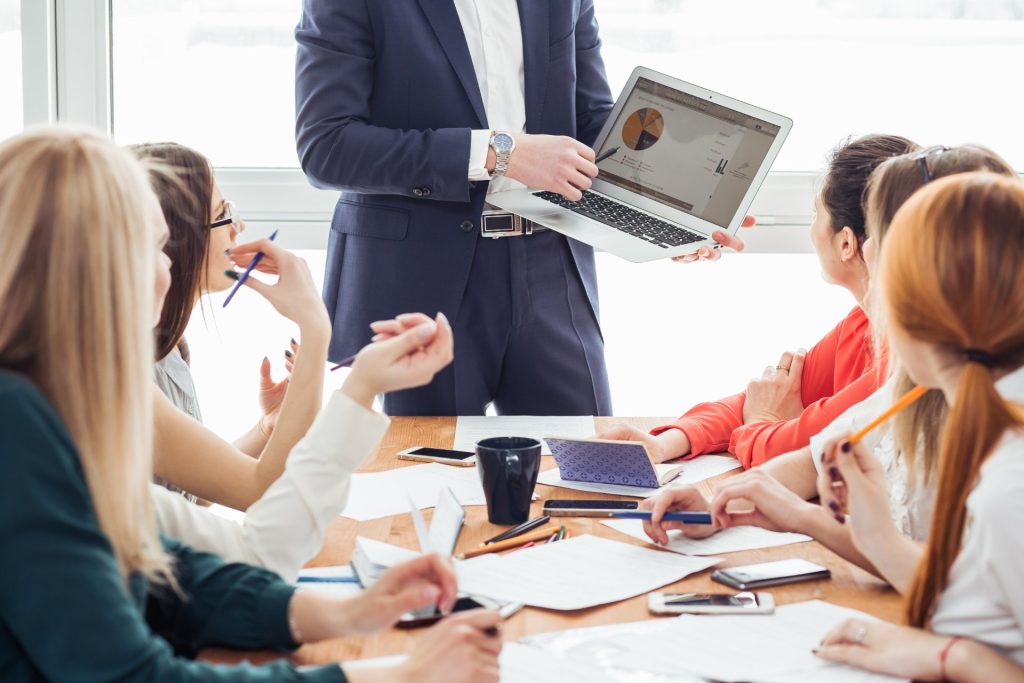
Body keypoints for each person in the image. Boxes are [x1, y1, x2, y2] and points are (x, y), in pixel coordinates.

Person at [0, 127, 501, 683]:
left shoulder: (56, 401)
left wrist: (353, 612)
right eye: (151, 247)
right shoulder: (20, 424)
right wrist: (390, 676)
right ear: (95, 267)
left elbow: (174, 571)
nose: (167, 267)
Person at [294, 0, 745, 417]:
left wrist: (674, 208)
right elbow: (327, 146)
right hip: (417, 281)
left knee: (588, 474)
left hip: (552, 267)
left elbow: (590, 126)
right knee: (425, 482)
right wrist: (498, 152)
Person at [641, 145, 1018, 575]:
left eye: (877, 242)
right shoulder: (918, 383)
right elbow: (809, 460)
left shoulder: (1007, 458)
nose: (869, 257)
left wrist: (764, 426)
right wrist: (714, 507)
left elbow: (971, 598)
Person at [600, 134, 918, 468]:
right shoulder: (863, 323)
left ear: (847, 243)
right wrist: (662, 444)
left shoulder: (902, 362)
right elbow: (758, 399)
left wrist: (764, 418)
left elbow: (786, 448)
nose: (812, 229)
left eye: (815, 213)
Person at [816, 172, 1024, 673]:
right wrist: (878, 533)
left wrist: (956, 657)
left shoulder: (1010, 488)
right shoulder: (993, 427)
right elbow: (986, 594)